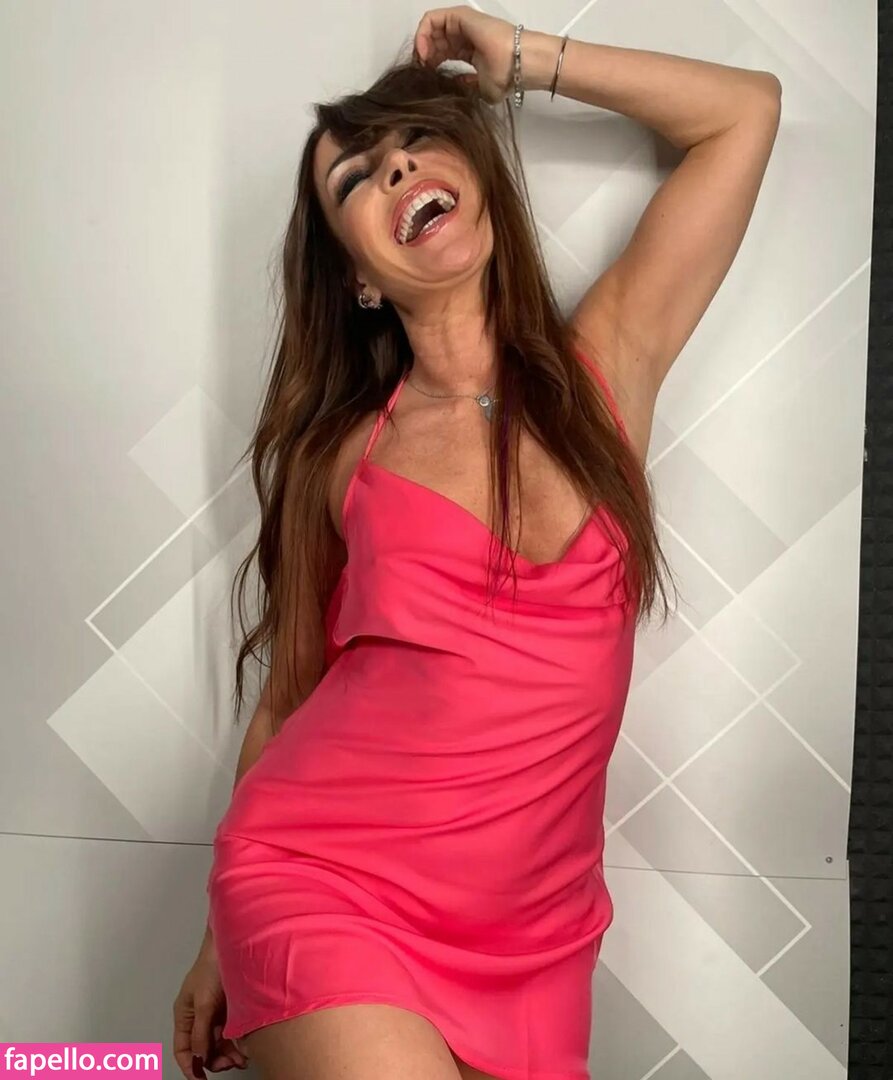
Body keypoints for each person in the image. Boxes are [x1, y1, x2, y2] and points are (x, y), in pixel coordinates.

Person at [172, 7, 781, 1079]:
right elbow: (290, 693)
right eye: (356, 179)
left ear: (477, 181)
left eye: (416, 144)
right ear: (358, 278)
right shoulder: (342, 460)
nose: (396, 170)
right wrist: (217, 934)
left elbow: (743, 114)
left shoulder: (606, 369)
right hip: (324, 887)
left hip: (537, 939)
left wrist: (521, 61)